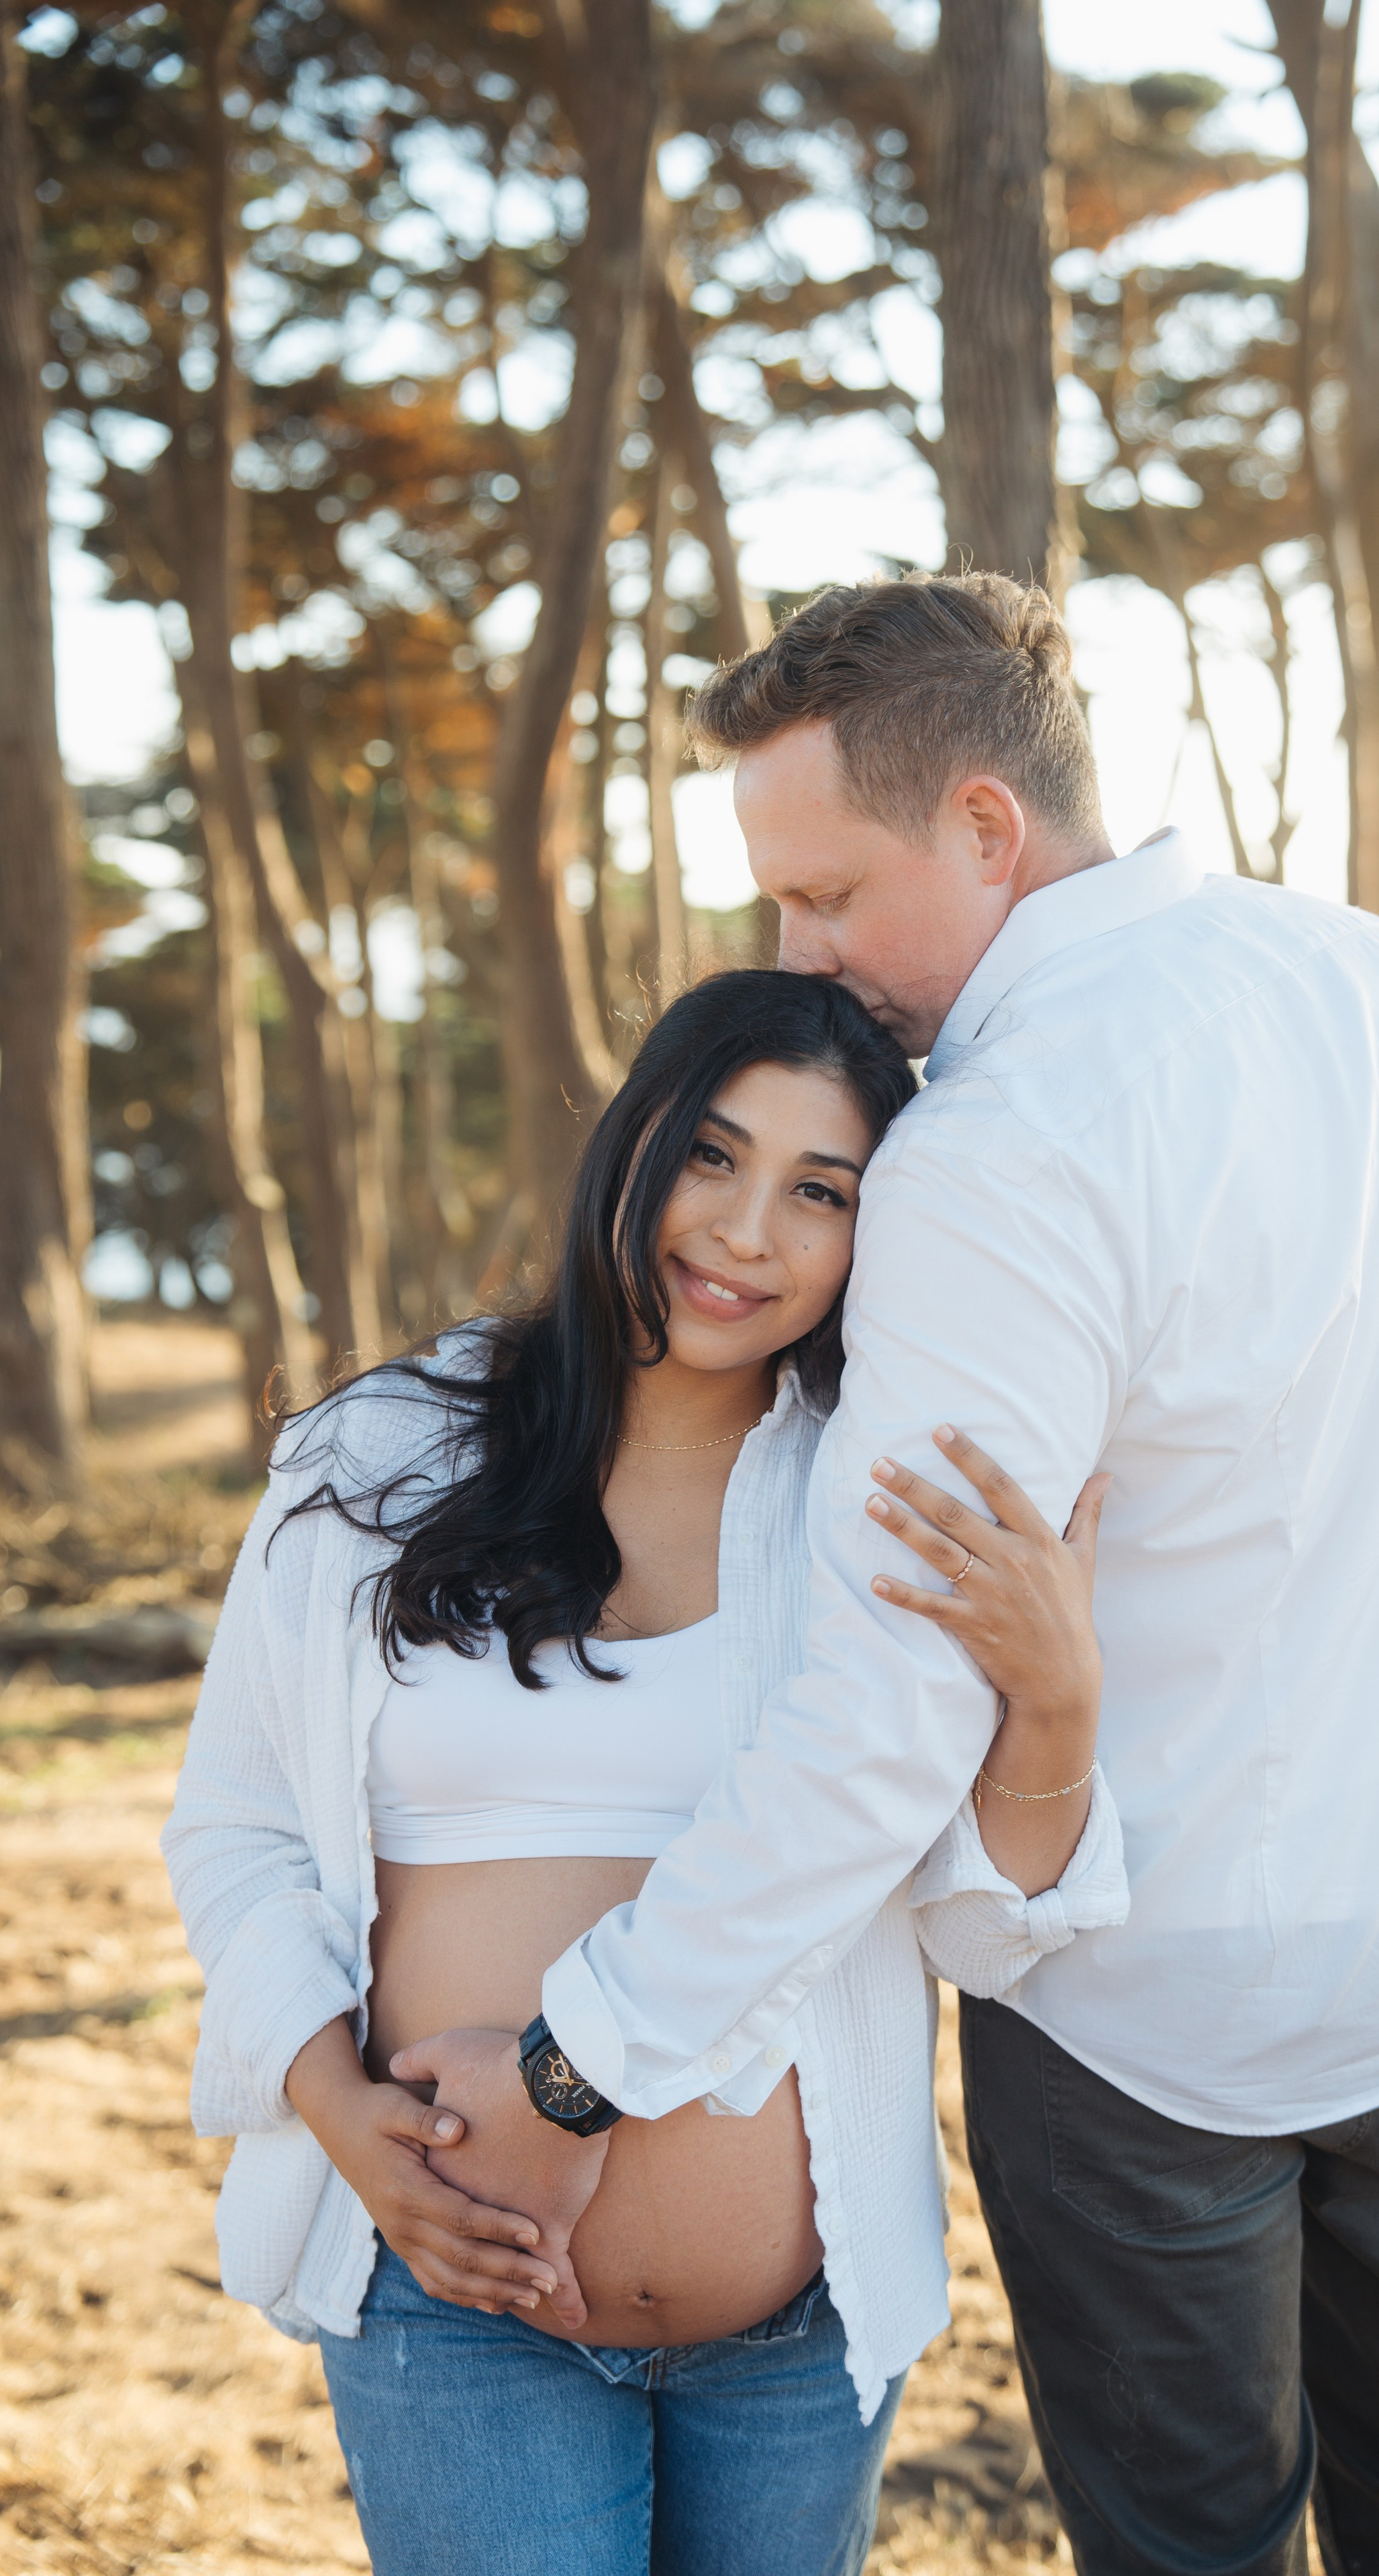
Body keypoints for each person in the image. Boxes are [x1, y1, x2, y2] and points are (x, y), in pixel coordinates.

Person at [403, 572, 1379, 2576]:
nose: (799, 954)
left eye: (823, 896)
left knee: (1193, 2549)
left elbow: (887, 1708)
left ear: (986, 825)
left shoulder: (1002, 1138)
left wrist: (582, 2057)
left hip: (1162, 2004)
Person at [161, 970, 1128, 2576]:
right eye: (711, 1156)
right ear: (632, 1141)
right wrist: (337, 2113)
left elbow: (983, 1927)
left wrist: (1058, 1706)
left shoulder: (871, 1500)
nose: (746, 1232)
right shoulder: (378, 1454)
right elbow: (239, 1827)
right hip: (454, 2301)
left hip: (792, 2344)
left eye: (819, 1194)